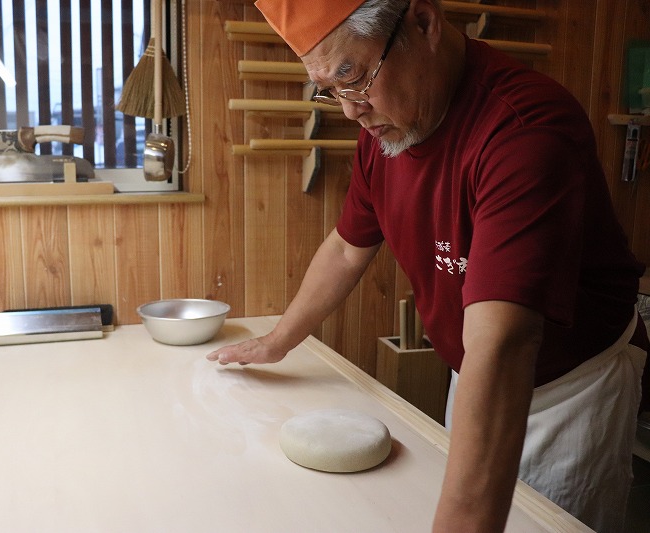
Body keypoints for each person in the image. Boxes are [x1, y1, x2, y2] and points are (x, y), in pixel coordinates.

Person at [205, 0, 649, 532]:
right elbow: (346, 248)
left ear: (423, 22)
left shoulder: (524, 129)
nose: (350, 111)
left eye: (354, 77)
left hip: (568, 390)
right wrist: (279, 341)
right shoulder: (390, 128)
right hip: (473, 369)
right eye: (330, 89)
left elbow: (504, 343)